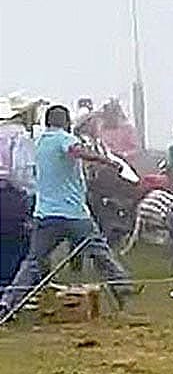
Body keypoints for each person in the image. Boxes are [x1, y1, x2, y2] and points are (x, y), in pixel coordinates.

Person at [0, 105, 133, 320]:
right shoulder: (64, 138)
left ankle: (8, 302)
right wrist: (108, 162)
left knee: (33, 262)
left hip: (45, 214)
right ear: (65, 121)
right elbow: (75, 151)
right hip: (73, 213)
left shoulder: (40, 142)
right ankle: (123, 290)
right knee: (100, 253)